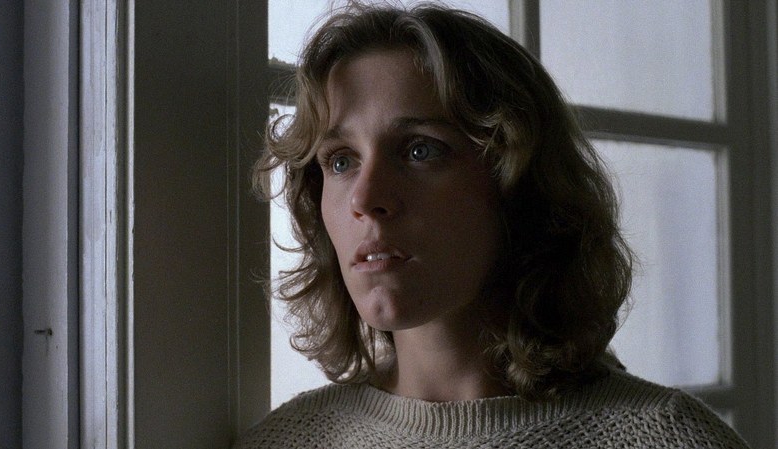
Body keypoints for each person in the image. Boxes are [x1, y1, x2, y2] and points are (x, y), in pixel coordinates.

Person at [237, 2, 750, 448]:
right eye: (341, 161)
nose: (366, 199)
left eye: (419, 150)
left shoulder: (667, 437)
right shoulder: (286, 442)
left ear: (518, 183)